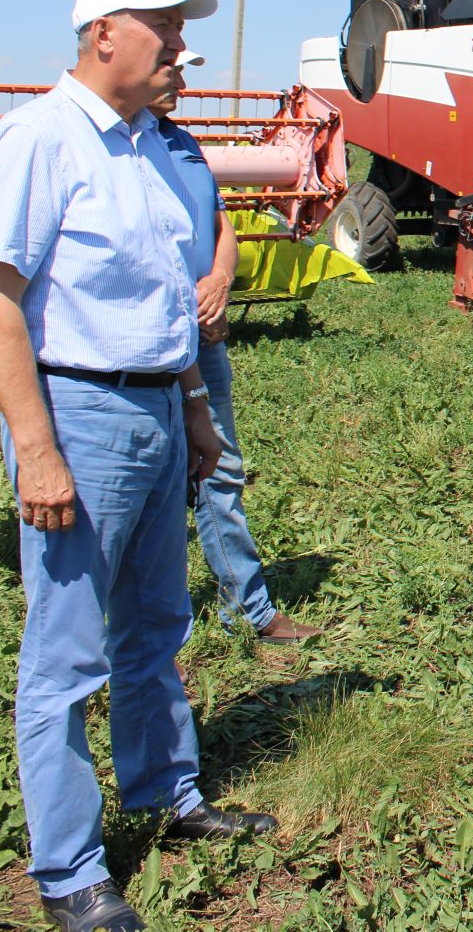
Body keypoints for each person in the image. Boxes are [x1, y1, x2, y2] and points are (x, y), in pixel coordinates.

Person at [0, 0, 275, 932]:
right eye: (165, 27)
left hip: (152, 403)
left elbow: (159, 301)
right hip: (78, 411)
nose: (181, 45)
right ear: (105, 33)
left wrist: (190, 407)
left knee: (156, 622)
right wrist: (38, 445)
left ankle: (166, 795)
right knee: (65, 652)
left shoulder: (149, 149)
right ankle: (69, 868)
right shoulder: (40, 140)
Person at [152, 53, 321, 642]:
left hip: (204, 336)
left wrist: (221, 281)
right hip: (152, 344)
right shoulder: (114, 152)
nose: (183, 79)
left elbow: (221, 227)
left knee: (219, 465)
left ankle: (246, 608)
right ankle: (150, 627)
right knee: (157, 482)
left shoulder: (183, 145)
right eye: (171, 64)